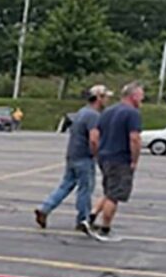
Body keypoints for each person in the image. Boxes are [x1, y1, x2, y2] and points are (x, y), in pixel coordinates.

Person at [34, 85, 112, 235]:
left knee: (66, 185)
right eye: (106, 97)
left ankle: (45, 208)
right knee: (85, 189)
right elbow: (94, 139)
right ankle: (83, 220)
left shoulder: (82, 112)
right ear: (98, 98)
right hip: (84, 157)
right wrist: (98, 155)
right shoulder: (93, 115)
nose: (108, 100)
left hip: (73, 155)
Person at [90, 82, 144, 241]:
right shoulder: (132, 113)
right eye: (141, 95)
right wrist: (134, 160)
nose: (143, 99)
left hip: (105, 157)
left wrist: (97, 153)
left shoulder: (107, 112)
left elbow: (95, 135)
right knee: (114, 196)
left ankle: (91, 216)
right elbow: (134, 138)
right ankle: (105, 229)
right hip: (120, 158)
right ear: (133, 96)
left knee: (109, 190)